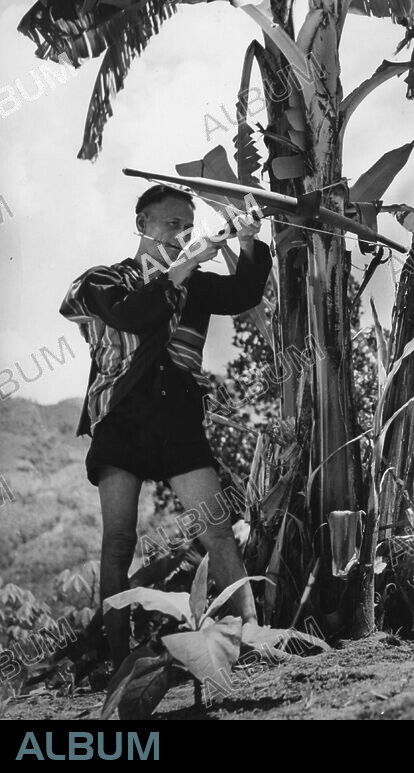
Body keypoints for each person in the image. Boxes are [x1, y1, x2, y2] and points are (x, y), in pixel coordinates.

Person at [59, 184, 270, 671]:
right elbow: (135, 316)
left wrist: (248, 242)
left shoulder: (194, 281)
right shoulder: (103, 280)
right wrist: (184, 267)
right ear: (142, 225)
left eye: (187, 227)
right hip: (123, 424)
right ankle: (119, 660)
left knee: (217, 532)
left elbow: (243, 292)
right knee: (119, 541)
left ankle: (254, 641)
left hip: (178, 421)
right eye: (171, 225)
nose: (181, 235)